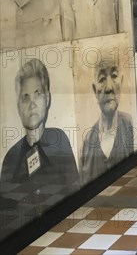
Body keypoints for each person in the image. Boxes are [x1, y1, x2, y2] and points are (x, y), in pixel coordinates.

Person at [0, 59, 79, 201]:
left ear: (47, 99)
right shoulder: (10, 159)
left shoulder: (58, 141)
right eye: (25, 97)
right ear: (18, 106)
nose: (32, 104)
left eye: (38, 94)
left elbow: (76, 195)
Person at [80, 54, 134, 185]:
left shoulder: (130, 125)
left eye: (114, 76)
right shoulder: (87, 144)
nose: (109, 87)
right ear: (94, 90)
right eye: (102, 79)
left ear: (121, 82)